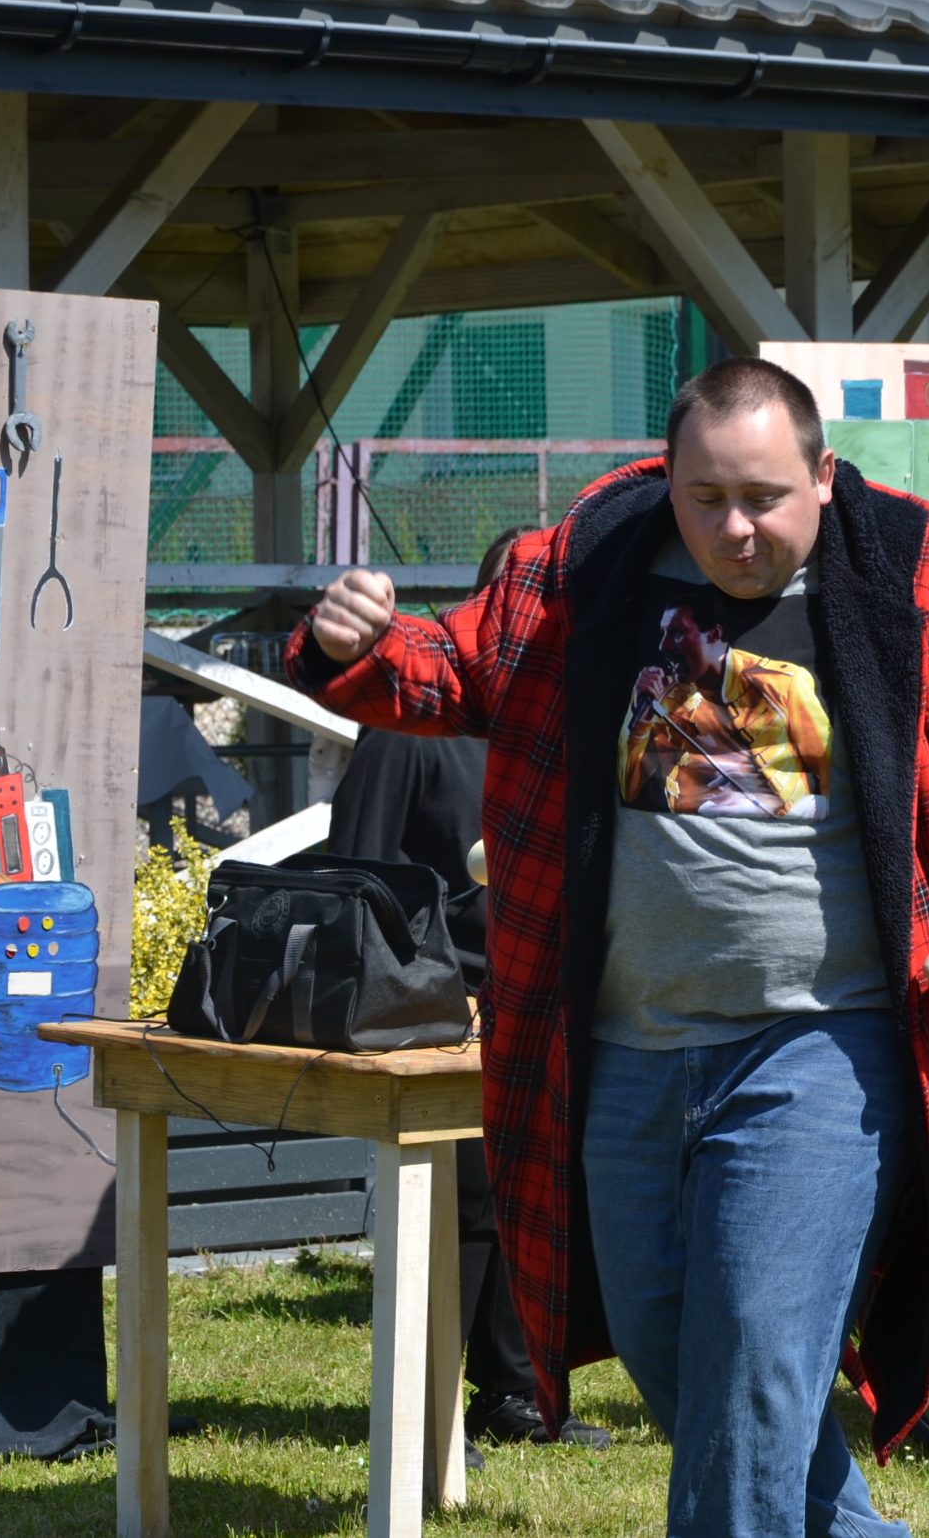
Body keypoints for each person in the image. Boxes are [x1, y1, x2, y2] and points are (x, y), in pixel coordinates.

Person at [288, 356, 929, 1538]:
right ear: (669, 481)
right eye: (706, 500)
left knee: (751, 1358)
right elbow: (447, 671)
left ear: (822, 475)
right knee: (675, 1354)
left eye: (763, 498)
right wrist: (357, 642)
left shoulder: (912, 571)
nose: (735, 530)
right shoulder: (590, 562)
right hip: (626, 1051)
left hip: (825, 1049)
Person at [321, 526, 611, 1464]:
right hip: (441, 1009)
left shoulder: (572, 731)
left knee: (533, 1197)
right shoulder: (411, 732)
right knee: (457, 1209)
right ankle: (422, 1406)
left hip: (545, 1003)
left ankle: (516, 1389)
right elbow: (358, 868)